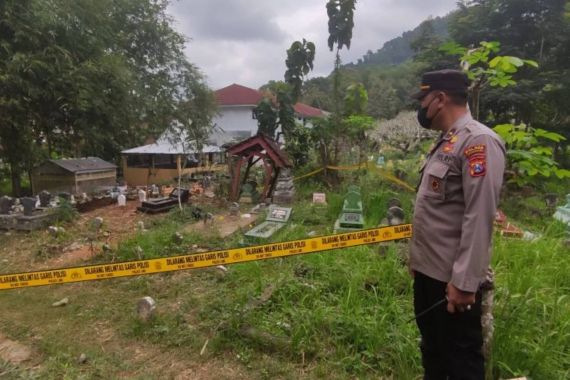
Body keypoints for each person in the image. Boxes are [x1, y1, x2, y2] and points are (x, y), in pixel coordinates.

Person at [409, 69, 506, 379]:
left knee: (461, 361)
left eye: (423, 100)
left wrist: (464, 283)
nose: (421, 108)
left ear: (440, 99)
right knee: (434, 352)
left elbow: (479, 216)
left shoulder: (479, 142)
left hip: (452, 280)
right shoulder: (447, 142)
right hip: (429, 273)